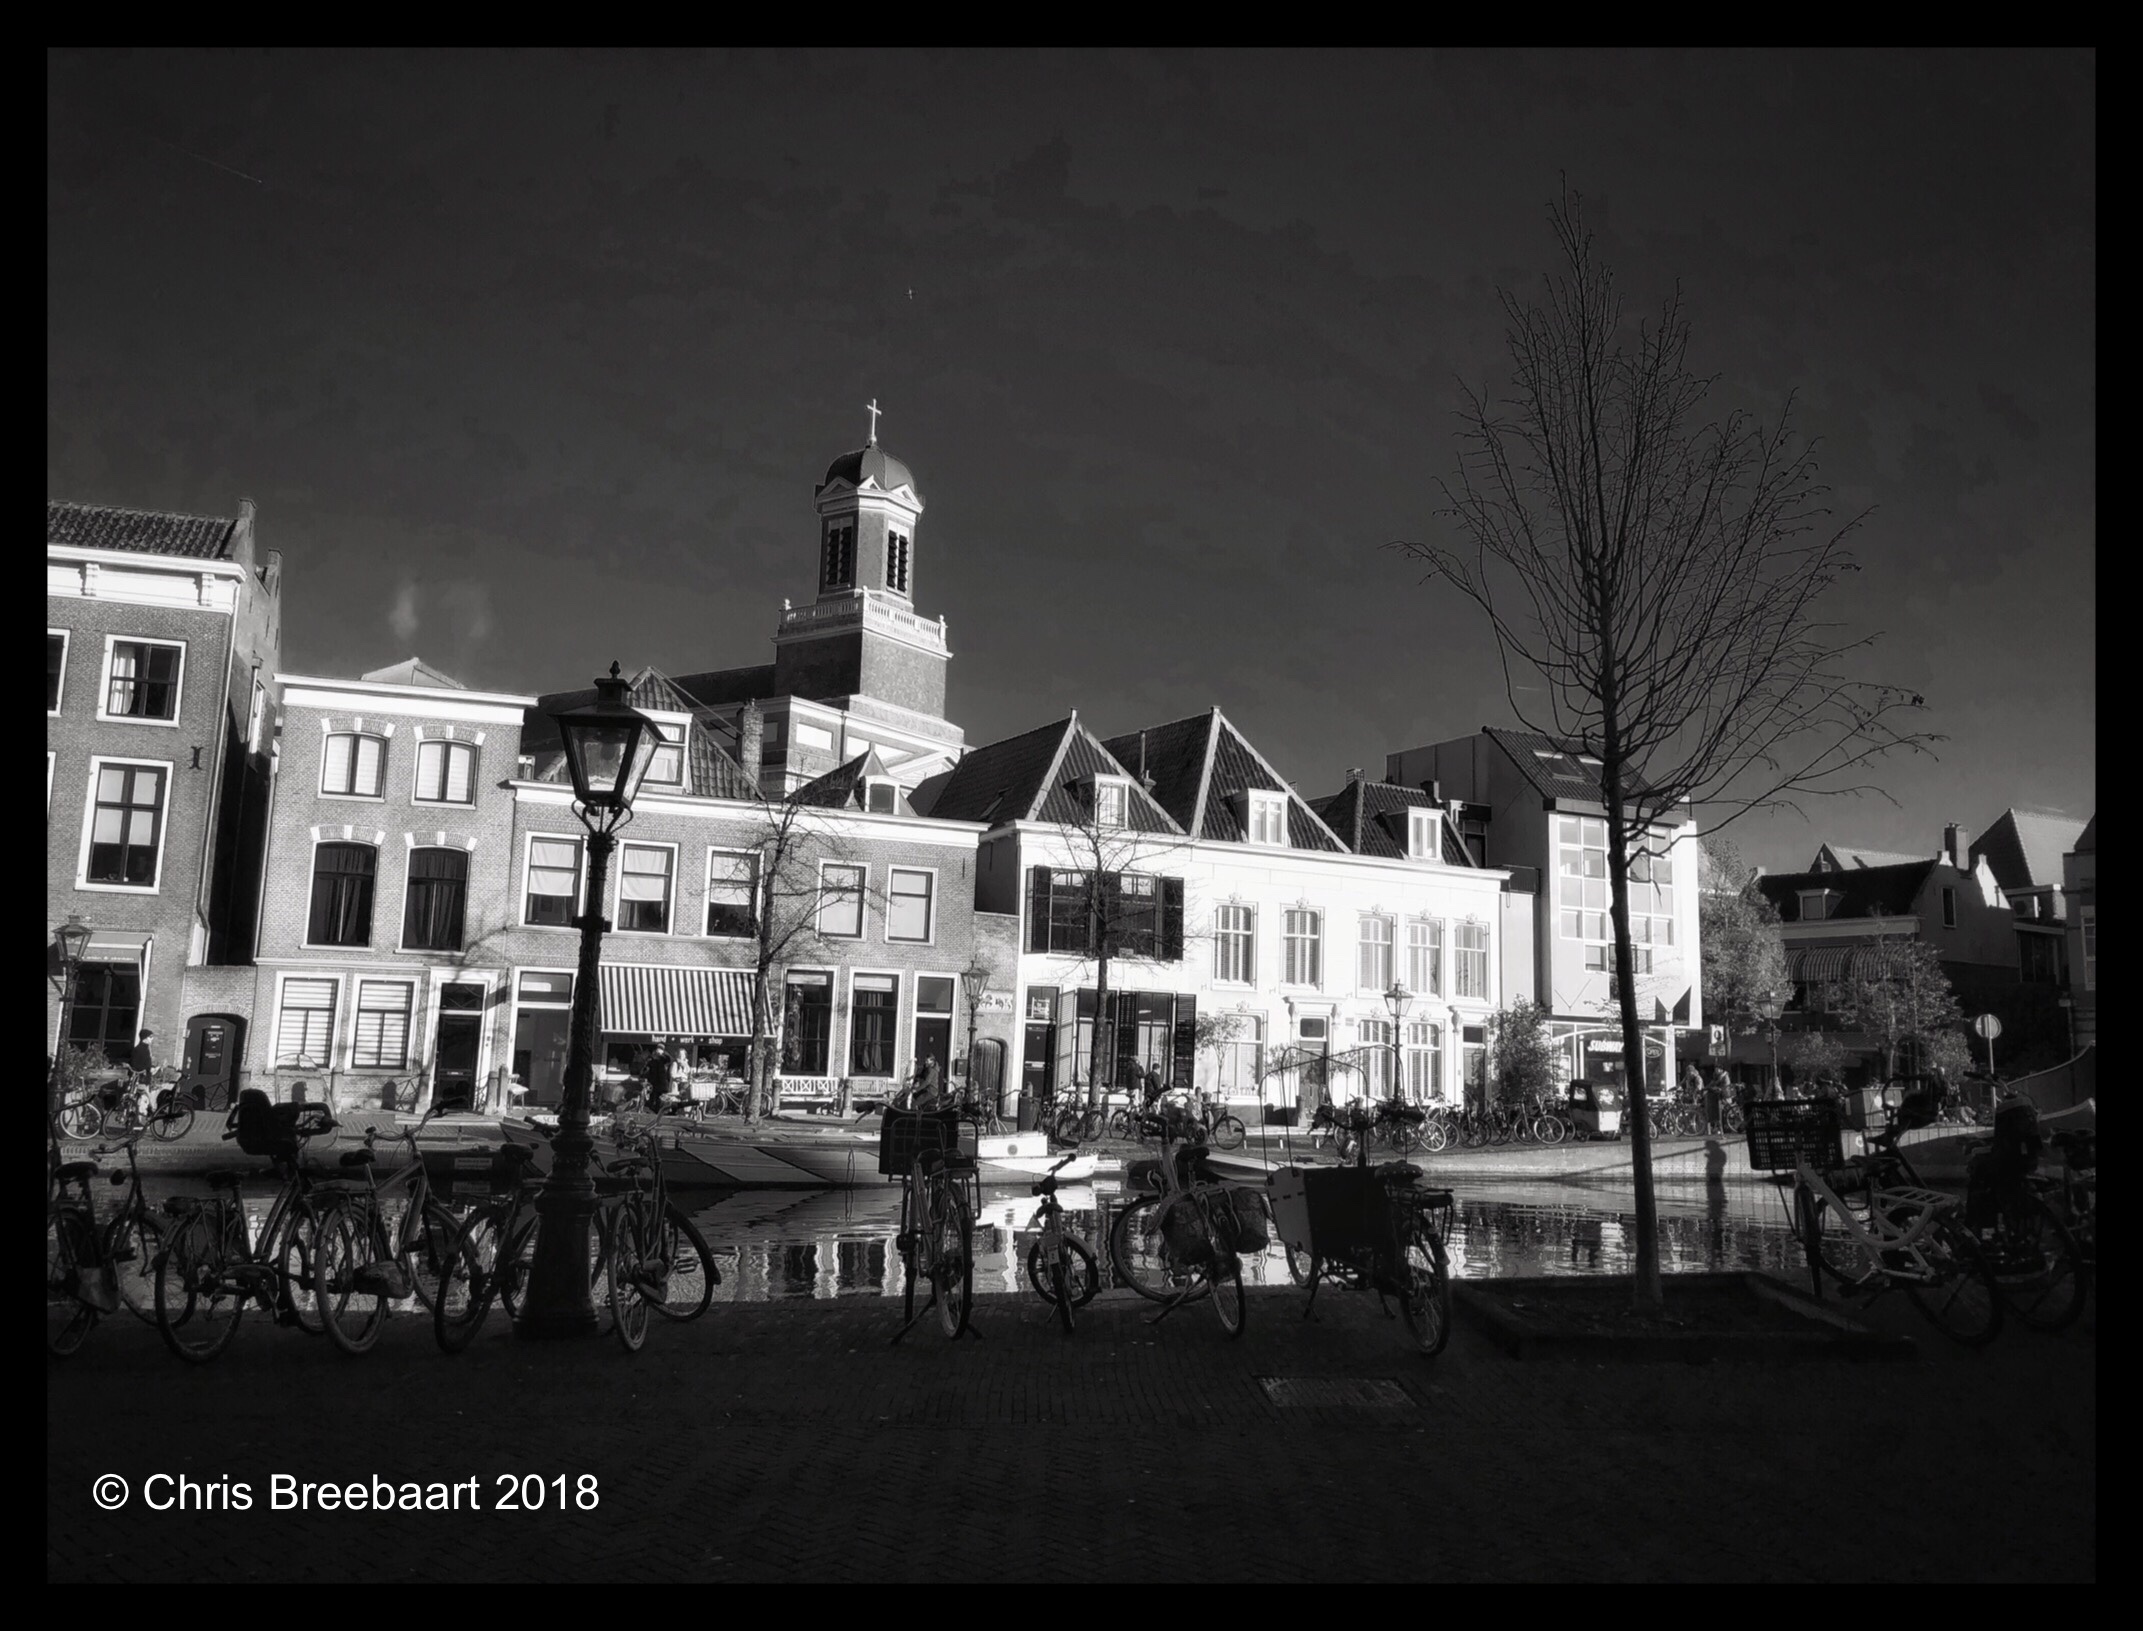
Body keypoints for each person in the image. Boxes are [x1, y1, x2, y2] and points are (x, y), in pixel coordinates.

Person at [643, 1038, 675, 1115]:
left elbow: (670, 1060)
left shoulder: (664, 1059)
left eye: (661, 1049)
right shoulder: (651, 1059)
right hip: (653, 1082)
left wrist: (663, 1053)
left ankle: (658, 1112)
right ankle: (651, 1111)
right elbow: (646, 1067)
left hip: (662, 1082)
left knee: (660, 1099)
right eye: (658, 1049)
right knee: (651, 1099)